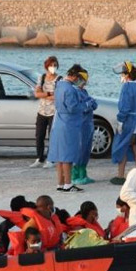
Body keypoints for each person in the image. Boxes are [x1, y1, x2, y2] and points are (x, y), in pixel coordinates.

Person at [47, 64, 93, 193]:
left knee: (60, 156)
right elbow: (73, 108)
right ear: (75, 76)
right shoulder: (70, 89)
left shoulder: (59, 85)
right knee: (67, 156)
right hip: (69, 125)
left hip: (59, 123)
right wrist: (86, 104)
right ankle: (68, 184)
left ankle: (60, 184)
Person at [30, 56, 61, 169]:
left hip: (53, 112)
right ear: (46, 66)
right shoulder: (42, 77)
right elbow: (37, 94)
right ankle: (39, 158)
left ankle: (51, 159)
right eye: (51, 65)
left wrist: (45, 94)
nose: (53, 67)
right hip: (42, 111)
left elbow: (57, 96)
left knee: (52, 136)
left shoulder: (59, 79)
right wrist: (48, 94)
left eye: (55, 65)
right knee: (39, 135)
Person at [72, 71, 98, 185]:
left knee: (86, 150)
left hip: (88, 124)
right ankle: (75, 174)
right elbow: (80, 108)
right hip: (81, 124)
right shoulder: (75, 92)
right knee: (80, 149)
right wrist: (89, 104)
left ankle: (83, 172)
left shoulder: (84, 91)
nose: (84, 82)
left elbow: (93, 105)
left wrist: (91, 103)